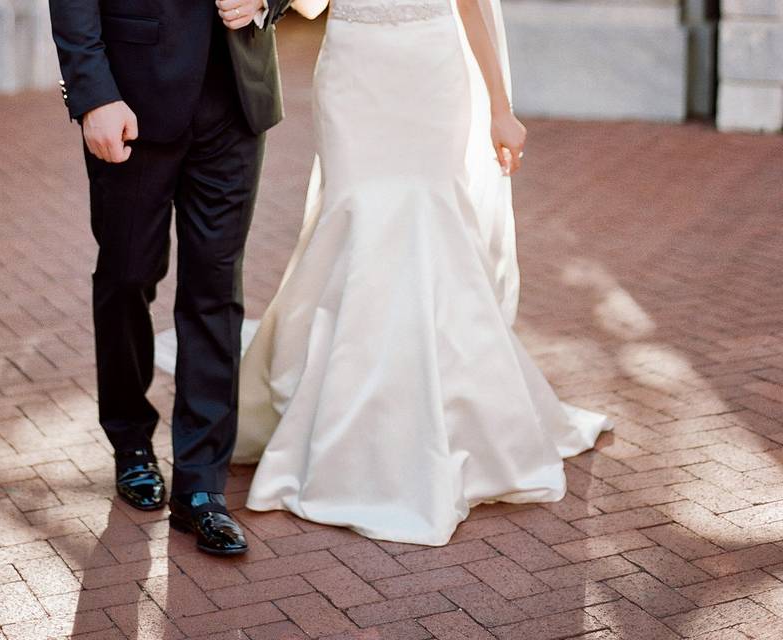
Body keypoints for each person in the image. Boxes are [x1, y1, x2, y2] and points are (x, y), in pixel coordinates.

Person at [234, 0, 612, 545]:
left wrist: (500, 108)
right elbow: (312, 7)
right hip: (352, 67)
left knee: (431, 224)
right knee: (354, 218)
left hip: (430, 67)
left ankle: (442, 418)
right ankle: (345, 426)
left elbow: (474, 5)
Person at [48, 0, 295, 555]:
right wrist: (93, 94)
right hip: (132, 95)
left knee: (216, 288)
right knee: (127, 276)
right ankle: (131, 442)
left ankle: (201, 486)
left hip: (238, 96)